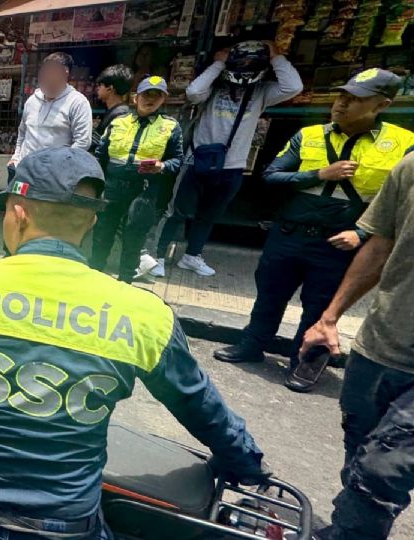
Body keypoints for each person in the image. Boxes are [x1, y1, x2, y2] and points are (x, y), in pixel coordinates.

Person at [0, 146, 269, 539]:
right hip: (68, 528)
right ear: (91, 222)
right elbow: (202, 407)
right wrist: (247, 464)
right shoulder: (145, 314)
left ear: (18, 213)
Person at [214, 69, 414, 392]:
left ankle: (304, 361)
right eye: (342, 96)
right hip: (289, 233)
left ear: (381, 105)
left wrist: (363, 235)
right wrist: (319, 174)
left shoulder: (404, 145)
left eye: (355, 99)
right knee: (269, 294)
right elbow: (272, 176)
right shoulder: (309, 135)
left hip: (339, 242)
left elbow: (400, 206)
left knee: (320, 305)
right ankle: (252, 344)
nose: (342, 104)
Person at [299, 152, 414, 540]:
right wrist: (329, 317)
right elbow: (380, 245)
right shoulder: (410, 167)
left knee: (382, 471)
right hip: (380, 344)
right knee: (360, 460)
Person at [151, 41, 303, 278]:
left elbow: (293, 87)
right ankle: (158, 256)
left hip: (232, 166)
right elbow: (193, 92)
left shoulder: (261, 92)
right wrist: (218, 64)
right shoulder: (214, 88)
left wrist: (276, 57)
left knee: (209, 215)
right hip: (196, 161)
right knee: (177, 212)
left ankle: (192, 256)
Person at [91, 76, 184, 283]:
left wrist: (162, 166)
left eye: (156, 95)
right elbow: (100, 155)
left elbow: (178, 160)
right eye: (146, 94)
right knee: (101, 236)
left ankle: (125, 283)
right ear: (135, 97)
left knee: (133, 241)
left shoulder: (170, 126)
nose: (150, 99)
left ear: (163, 100)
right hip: (112, 188)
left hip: (143, 190)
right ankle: (94, 279)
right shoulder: (118, 122)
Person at [8, 52, 93, 176]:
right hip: (24, 172)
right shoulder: (32, 101)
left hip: (54, 176)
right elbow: (22, 133)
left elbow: (83, 142)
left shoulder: (77, 102)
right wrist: (15, 158)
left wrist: (60, 166)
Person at [92, 64, 133, 148]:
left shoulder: (120, 114)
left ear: (109, 88)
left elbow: (104, 142)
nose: (97, 88)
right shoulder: (116, 110)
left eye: (100, 85)